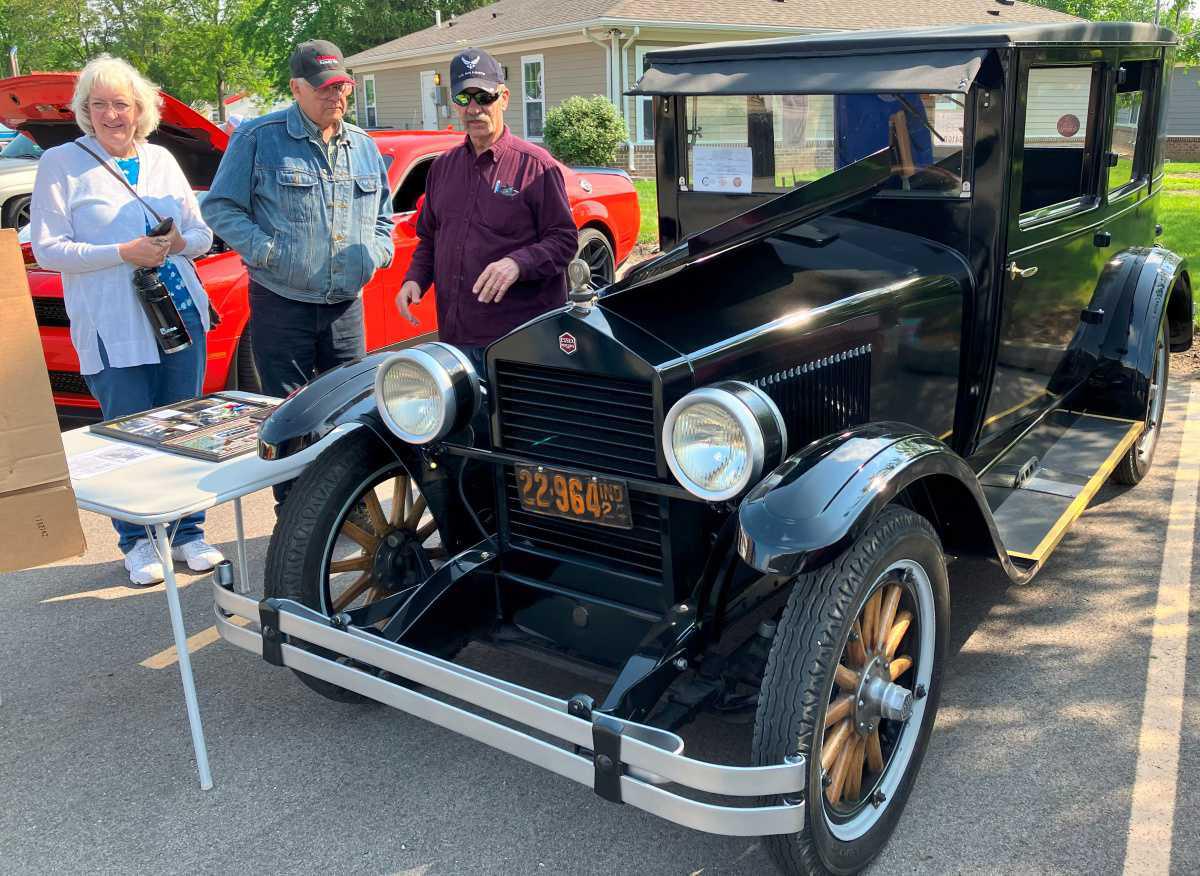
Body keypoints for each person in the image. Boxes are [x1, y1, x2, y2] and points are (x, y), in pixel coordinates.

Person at [30, 55, 224, 586]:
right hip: (112, 323)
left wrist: (175, 243)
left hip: (178, 311)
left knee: (185, 427)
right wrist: (123, 251)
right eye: (100, 105)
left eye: (122, 104)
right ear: (84, 111)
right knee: (127, 434)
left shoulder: (162, 159)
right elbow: (47, 249)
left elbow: (201, 235)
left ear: (141, 109)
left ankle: (189, 533)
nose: (112, 114)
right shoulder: (61, 164)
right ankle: (138, 541)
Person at [202, 39, 393, 506]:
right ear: (296, 88)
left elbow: (385, 215)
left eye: (342, 87)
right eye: (325, 88)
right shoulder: (258, 138)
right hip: (281, 302)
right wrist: (267, 251)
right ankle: (293, 513)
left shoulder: (364, 148)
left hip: (346, 306)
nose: (336, 97)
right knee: (289, 417)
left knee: (351, 413)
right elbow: (220, 207)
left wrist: (378, 250)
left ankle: (351, 509)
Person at [395, 48, 577, 373]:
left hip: (521, 340)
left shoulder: (536, 167)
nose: (474, 109)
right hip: (456, 338)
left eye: (484, 97)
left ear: (504, 97)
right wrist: (415, 280)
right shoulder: (442, 168)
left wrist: (516, 263)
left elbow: (564, 241)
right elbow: (430, 237)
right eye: (464, 99)